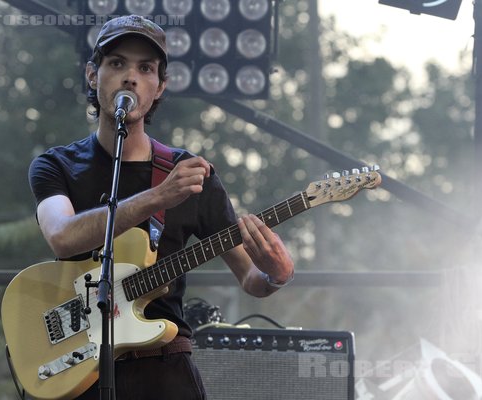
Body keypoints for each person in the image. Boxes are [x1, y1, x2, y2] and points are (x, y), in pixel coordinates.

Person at [28, 15, 294, 400]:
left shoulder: (191, 174)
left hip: (163, 363)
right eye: (116, 63)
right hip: (77, 363)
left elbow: (250, 277)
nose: (130, 77)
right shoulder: (55, 165)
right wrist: (156, 197)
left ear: (160, 87)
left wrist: (276, 274)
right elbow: (61, 237)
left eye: (146, 68)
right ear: (92, 75)